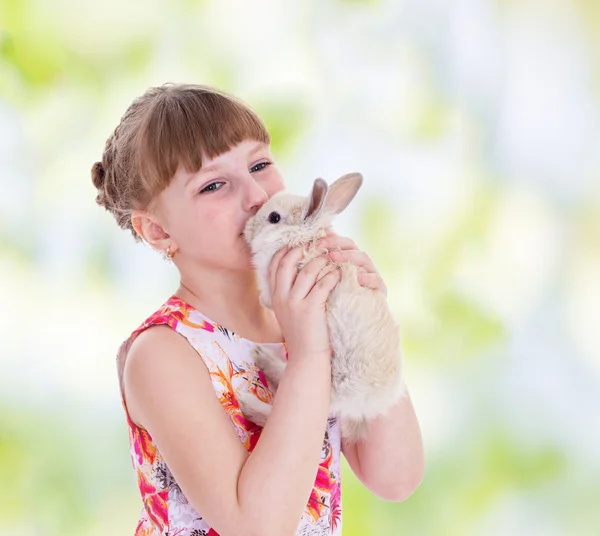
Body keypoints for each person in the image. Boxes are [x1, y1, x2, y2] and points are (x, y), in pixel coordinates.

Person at [91, 83, 424, 536]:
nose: (254, 195)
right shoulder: (163, 354)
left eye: (260, 164)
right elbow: (257, 526)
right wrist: (308, 355)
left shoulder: (302, 320)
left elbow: (396, 477)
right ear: (156, 231)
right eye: (213, 185)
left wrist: (366, 320)